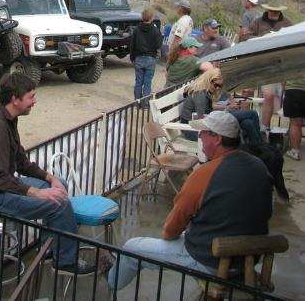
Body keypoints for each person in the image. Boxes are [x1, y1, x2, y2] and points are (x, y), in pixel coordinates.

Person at [99, 111, 273, 291]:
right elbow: (266, 212)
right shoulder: (259, 166)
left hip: (212, 261)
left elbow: (172, 227)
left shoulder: (205, 173)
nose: (200, 136)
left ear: (218, 139)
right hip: (248, 259)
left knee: (131, 248)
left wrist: (173, 238)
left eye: (204, 132)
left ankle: (112, 281)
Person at [0, 73, 95, 275]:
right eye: (31, 97)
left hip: (0, 190)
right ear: (15, 100)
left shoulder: (8, 119)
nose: (34, 101)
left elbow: (21, 163)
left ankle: (49, 248)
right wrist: (38, 193)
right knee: (59, 203)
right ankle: (65, 261)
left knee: (60, 185)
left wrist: (50, 178)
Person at [244, 0, 294, 134]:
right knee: (246, 93)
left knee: (269, 96)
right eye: (271, 10)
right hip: (255, 63)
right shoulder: (258, 22)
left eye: (276, 11)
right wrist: (263, 39)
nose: (273, 13)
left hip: (273, 65)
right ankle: (244, 124)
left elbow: (293, 40)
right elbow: (246, 37)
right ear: (267, 10)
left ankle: (263, 128)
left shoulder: (287, 23)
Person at [179, 68, 262, 142]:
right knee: (242, 121)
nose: (217, 88)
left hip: (208, 122)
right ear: (209, 80)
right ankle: (252, 149)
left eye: (220, 86)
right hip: (193, 130)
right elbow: (201, 119)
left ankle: (259, 148)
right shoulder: (200, 95)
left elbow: (208, 114)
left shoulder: (206, 92)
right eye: (216, 85)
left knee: (248, 123)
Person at [130, 8, 162, 106]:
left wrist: (132, 58)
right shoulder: (155, 30)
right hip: (150, 58)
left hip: (139, 57)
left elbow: (132, 45)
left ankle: (137, 102)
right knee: (147, 82)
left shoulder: (137, 30)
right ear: (152, 18)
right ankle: (145, 104)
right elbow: (158, 45)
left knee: (138, 81)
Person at [284, 76, 305, 161]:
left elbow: (283, 77)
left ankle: (295, 151)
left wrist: (285, 89)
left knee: (295, 124)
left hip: (293, 89)